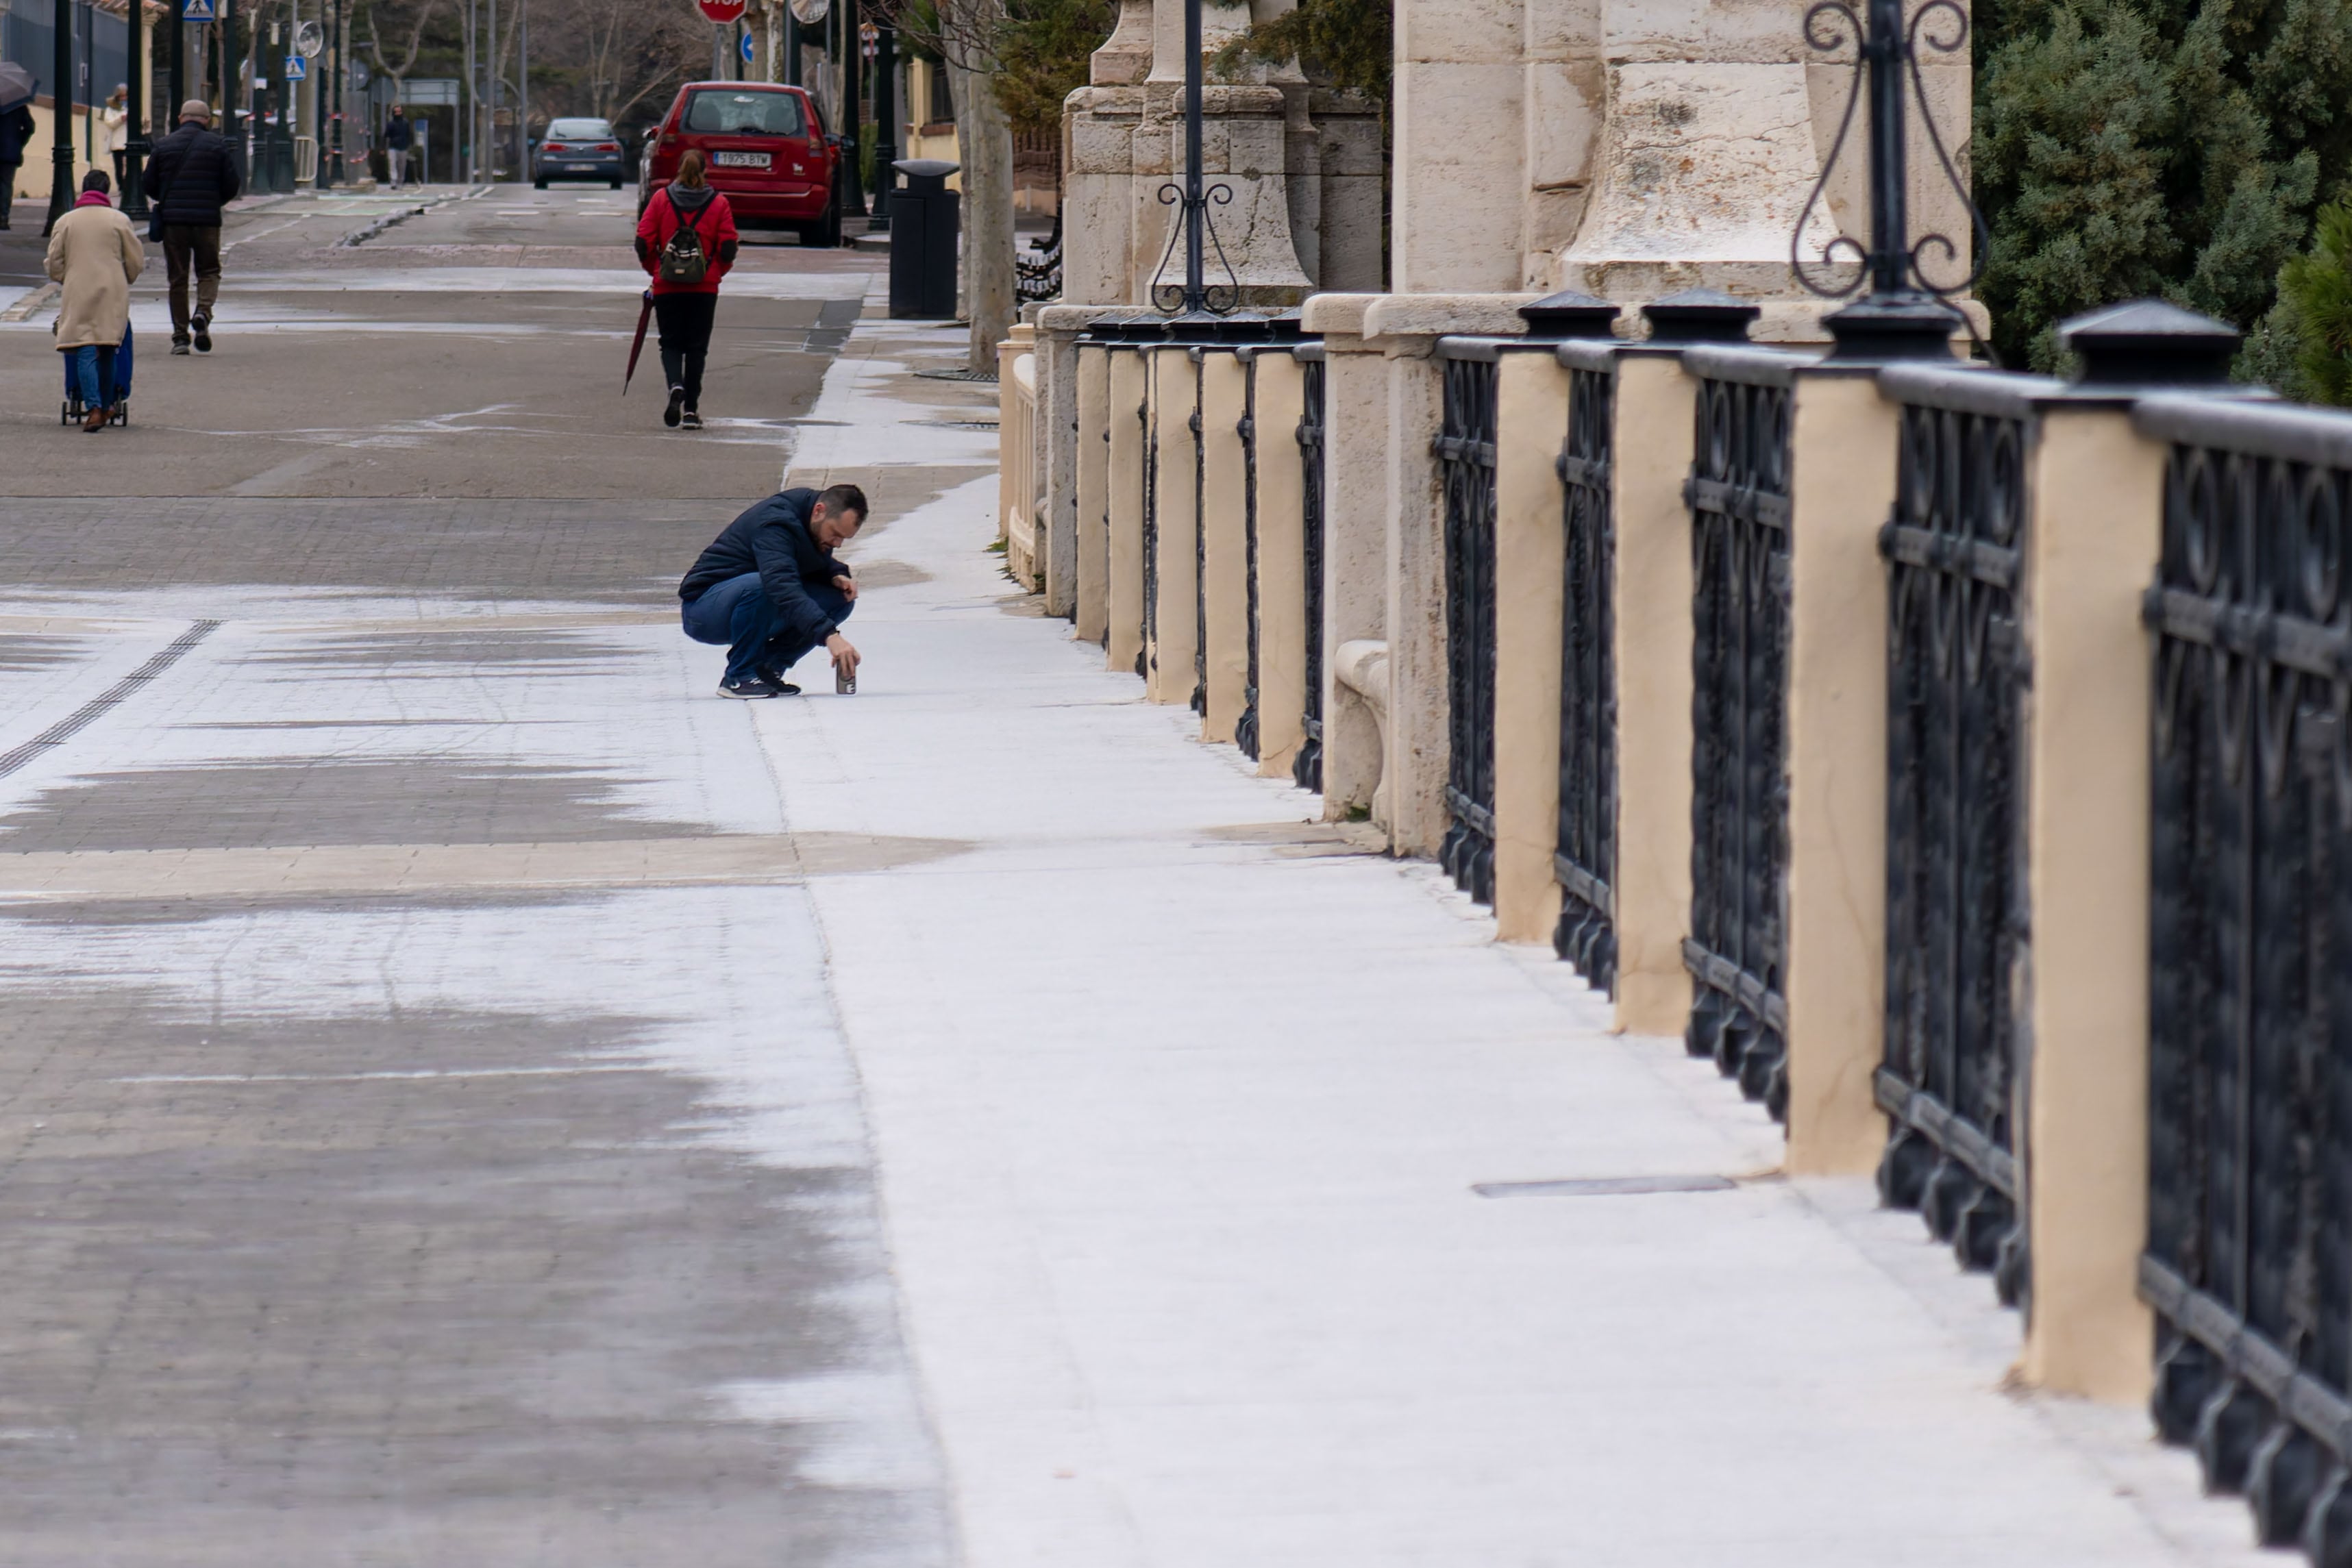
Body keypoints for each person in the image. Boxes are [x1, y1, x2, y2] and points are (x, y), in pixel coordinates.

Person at [678, 484, 866, 698]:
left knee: (839, 599)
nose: (838, 544)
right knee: (765, 584)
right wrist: (829, 635)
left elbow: (797, 558)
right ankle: (739, 676)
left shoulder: (810, 521)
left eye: (843, 538)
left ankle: (766, 670)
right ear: (819, 510)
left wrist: (835, 574)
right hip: (705, 611)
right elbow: (781, 583)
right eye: (835, 534)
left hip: (752, 601)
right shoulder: (775, 523)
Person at [633, 149, 738, 431]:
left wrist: (656, 270)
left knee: (670, 343)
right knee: (696, 348)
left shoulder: (660, 200)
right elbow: (728, 247)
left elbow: (643, 241)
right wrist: (713, 273)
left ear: (678, 170)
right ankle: (691, 411)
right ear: (705, 171)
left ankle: (675, 385)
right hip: (703, 288)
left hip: (667, 286)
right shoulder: (718, 203)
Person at [46, 170, 143, 434]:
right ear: (107, 190)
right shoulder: (119, 221)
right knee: (109, 347)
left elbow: (55, 262)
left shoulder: (66, 222)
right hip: (112, 289)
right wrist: (127, 277)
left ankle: (94, 408)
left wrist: (65, 277)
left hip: (79, 288)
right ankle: (109, 402)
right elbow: (135, 261)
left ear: (83, 189)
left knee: (85, 348)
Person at [143, 99, 241, 356]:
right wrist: (213, 202)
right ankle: (203, 313)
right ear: (207, 120)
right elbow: (232, 184)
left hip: (174, 222)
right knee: (208, 271)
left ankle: (180, 338)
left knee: (178, 278)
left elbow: (148, 183)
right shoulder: (217, 146)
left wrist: (167, 200)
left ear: (180, 118)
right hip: (207, 221)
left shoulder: (163, 146)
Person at [0, 95, 32, 232]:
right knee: (6, 185)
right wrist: (19, 142)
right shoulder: (17, 104)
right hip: (10, 152)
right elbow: (30, 127)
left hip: (9, 151)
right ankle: (3, 217)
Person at [102, 85, 129, 191]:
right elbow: (109, 123)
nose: (124, 99)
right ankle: (121, 187)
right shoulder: (110, 110)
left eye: (125, 96)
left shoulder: (129, 108)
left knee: (128, 167)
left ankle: (128, 185)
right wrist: (120, 120)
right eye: (121, 96)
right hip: (117, 143)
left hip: (128, 142)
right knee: (119, 167)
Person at [383, 105, 413, 188]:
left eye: (400, 112)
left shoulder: (405, 123)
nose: (398, 113)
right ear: (394, 113)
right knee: (392, 164)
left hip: (403, 147)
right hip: (393, 147)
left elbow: (409, 134)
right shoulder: (391, 124)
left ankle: (400, 182)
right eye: (396, 112)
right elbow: (386, 136)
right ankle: (393, 181)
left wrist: (410, 145)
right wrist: (382, 148)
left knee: (402, 166)